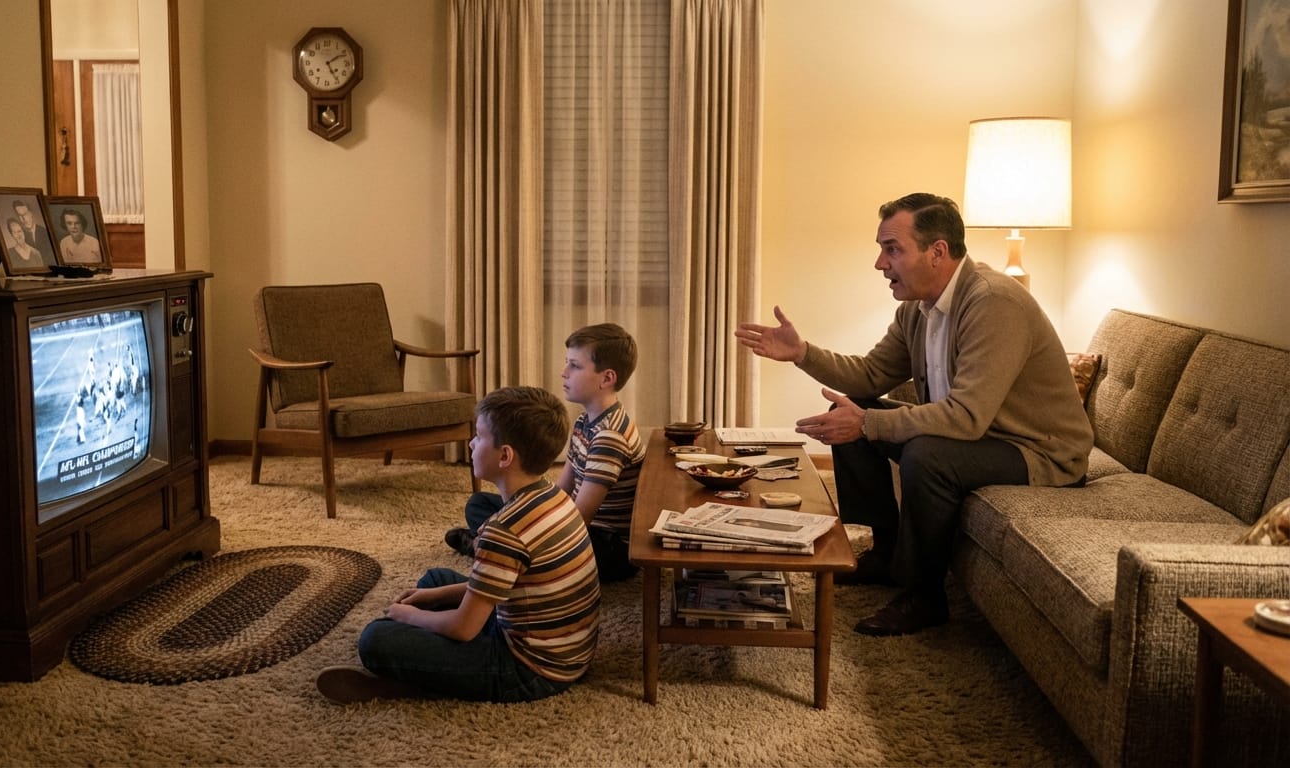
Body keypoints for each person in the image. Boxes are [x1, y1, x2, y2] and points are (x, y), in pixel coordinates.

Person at [735, 192, 1093, 637]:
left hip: (1038, 451)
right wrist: (802, 353)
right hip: (981, 435)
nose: (880, 264)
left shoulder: (994, 303)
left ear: (937, 252)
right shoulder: (917, 310)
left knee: (924, 454)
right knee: (853, 409)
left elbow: (966, 416)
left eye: (892, 249)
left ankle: (924, 596)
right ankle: (886, 555)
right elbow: (869, 376)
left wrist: (868, 424)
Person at [316, 385, 601, 703]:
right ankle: (433, 661)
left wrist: (407, 617)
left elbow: (464, 628)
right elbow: (504, 586)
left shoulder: (504, 530)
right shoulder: (554, 494)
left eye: (479, 437)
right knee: (436, 581)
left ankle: (412, 685)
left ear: (505, 456)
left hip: (530, 670)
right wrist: (432, 596)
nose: (471, 443)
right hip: (567, 648)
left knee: (375, 640)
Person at [443, 323, 646, 583]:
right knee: (479, 504)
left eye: (574, 365)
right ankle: (493, 544)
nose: (564, 373)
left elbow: (580, 517)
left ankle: (490, 548)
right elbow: (563, 487)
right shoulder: (587, 421)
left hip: (607, 546)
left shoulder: (610, 436)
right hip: (582, 527)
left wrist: (531, 522)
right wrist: (531, 512)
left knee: (516, 524)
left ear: (606, 379)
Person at [12, 199, 57, 265]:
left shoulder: (46, 232)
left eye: (25, 214)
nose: (23, 219)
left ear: (31, 213)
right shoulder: (20, 236)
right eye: (20, 216)